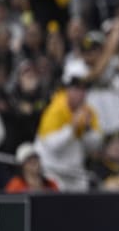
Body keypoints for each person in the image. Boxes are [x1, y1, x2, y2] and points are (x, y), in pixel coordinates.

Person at [34, 59, 102, 191]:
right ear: (67, 89)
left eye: (84, 89)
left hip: (75, 174)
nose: (80, 93)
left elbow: (95, 145)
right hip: (52, 171)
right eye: (76, 88)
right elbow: (52, 146)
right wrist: (72, 128)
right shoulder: (56, 109)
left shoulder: (88, 110)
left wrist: (87, 129)